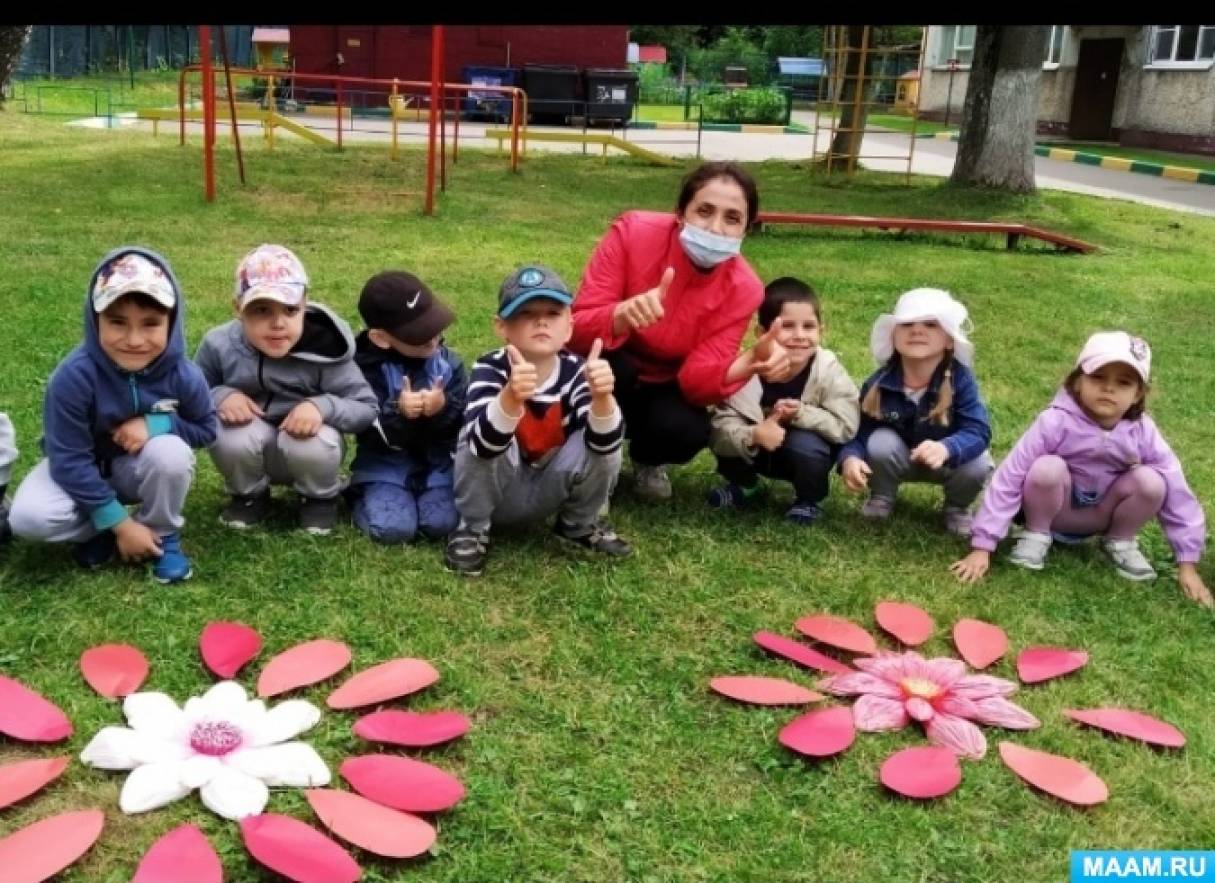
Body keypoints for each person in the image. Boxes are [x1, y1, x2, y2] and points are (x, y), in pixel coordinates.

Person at [568, 161, 792, 501]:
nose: (716, 228)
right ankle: (577, 457)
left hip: (663, 383)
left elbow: (695, 384)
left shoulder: (745, 289)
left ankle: (647, 461)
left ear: (747, 229)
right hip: (609, 360)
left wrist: (747, 363)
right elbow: (574, 328)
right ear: (679, 214)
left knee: (687, 429)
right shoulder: (631, 232)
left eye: (732, 218)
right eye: (704, 211)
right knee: (614, 369)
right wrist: (620, 315)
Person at [951, 332, 1211, 608]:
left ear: (1138, 394)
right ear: (1077, 381)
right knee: (1046, 467)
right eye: (1098, 377)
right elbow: (1011, 474)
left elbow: (1177, 489)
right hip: (1052, 509)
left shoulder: (1143, 431)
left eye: (1123, 382)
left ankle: (1120, 542)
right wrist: (983, 546)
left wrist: (1187, 564)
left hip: (1101, 515)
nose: (1108, 389)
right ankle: (1035, 535)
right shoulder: (1055, 420)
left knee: (1153, 482)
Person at [9, 248, 216, 582]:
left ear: (172, 322)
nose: (134, 340)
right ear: (95, 320)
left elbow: (207, 428)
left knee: (172, 453)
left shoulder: (184, 374)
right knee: (29, 517)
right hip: (82, 472)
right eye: (117, 322)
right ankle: (104, 530)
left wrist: (157, 424)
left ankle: (161, 533)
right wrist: (120, 523)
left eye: (151, 324)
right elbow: (68, 458)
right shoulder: (72, 377)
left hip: (136, 470)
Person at [445, 265, 631, 577]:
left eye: (553, 312)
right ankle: (472, 529)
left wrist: (602, 399)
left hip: (549, 487)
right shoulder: (489, 367)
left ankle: (578, 524)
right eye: (526, 313)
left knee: (604, 428)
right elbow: (481, 446)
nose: (541, 321)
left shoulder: (578, 371)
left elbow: (605, 446)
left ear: (570, 326)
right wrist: (510, 398)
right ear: (501, 326)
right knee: (475, 431)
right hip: (496, 491)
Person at [195, 244, 377, 535]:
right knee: (225, 429)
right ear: (238, 308)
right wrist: (220, 396)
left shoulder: (326, 350)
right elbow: (192, 393)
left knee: (315, 441)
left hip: (307, 445)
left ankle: (319, 498)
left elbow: (366, 408)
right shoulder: (218, 344)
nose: (278, 323)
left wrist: (322, 406)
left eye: (291, 310)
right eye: (261, 310)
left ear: (305, 305)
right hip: (251, 441)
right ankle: (249, 496)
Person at [838, 288, 993, 537]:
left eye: (931, 325)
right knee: (878, 442)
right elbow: (860, 430)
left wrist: (947, 448)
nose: (917, 330)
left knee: (978, 463)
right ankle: (882, 495)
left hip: (948, 460)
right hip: (899, 457)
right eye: (907, 324)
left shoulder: (960, 381)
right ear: (893, 336)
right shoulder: (879, 383)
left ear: (949, 339)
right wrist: (850, 458)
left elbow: (978, 430)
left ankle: (957, 507)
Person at [707, 277, 859, 525]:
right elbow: (719, 428)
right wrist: (754, 435)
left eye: (808, 327)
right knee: (728, 437)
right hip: (755, 448)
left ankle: (809, 500)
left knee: (807, 446)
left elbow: (847, 425)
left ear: (821, 331)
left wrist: (801, 414)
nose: (799, 336)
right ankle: (747, 486)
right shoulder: (744, 371)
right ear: (762, 333)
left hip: (801, 449)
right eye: (787, 326)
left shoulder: (829, 371)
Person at [348, 270, 467, 544]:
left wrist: (443, 408)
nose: (432, 338)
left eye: (434, 326)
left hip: (437, 465)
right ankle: (360, 495)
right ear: (380, 338)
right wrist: (397, 412)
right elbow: (366, 430)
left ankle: (426, 497)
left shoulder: (450, 364)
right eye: (419, 333)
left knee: (442, 524)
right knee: (392, 529)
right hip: (384, 465)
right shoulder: (364, 369)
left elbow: (462, 427)